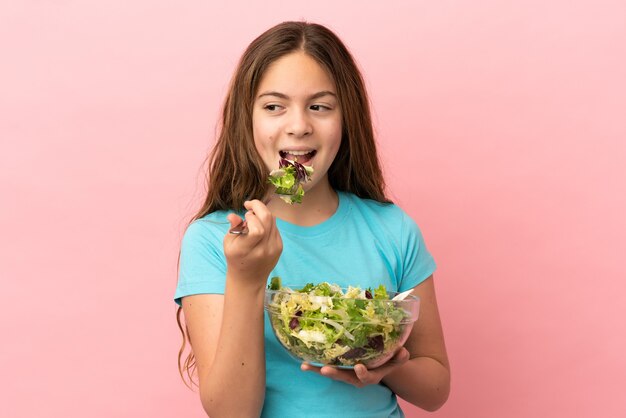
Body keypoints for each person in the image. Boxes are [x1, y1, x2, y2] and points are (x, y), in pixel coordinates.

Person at [174, 21, 450, 418]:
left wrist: (383, 361)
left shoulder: (393, 229)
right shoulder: (214, 239)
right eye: (274, 107)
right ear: (247, 120)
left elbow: (436, 389)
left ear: (346, 118)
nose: (299, 125)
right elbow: (231, 413)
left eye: (319, 106)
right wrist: (247, 278)